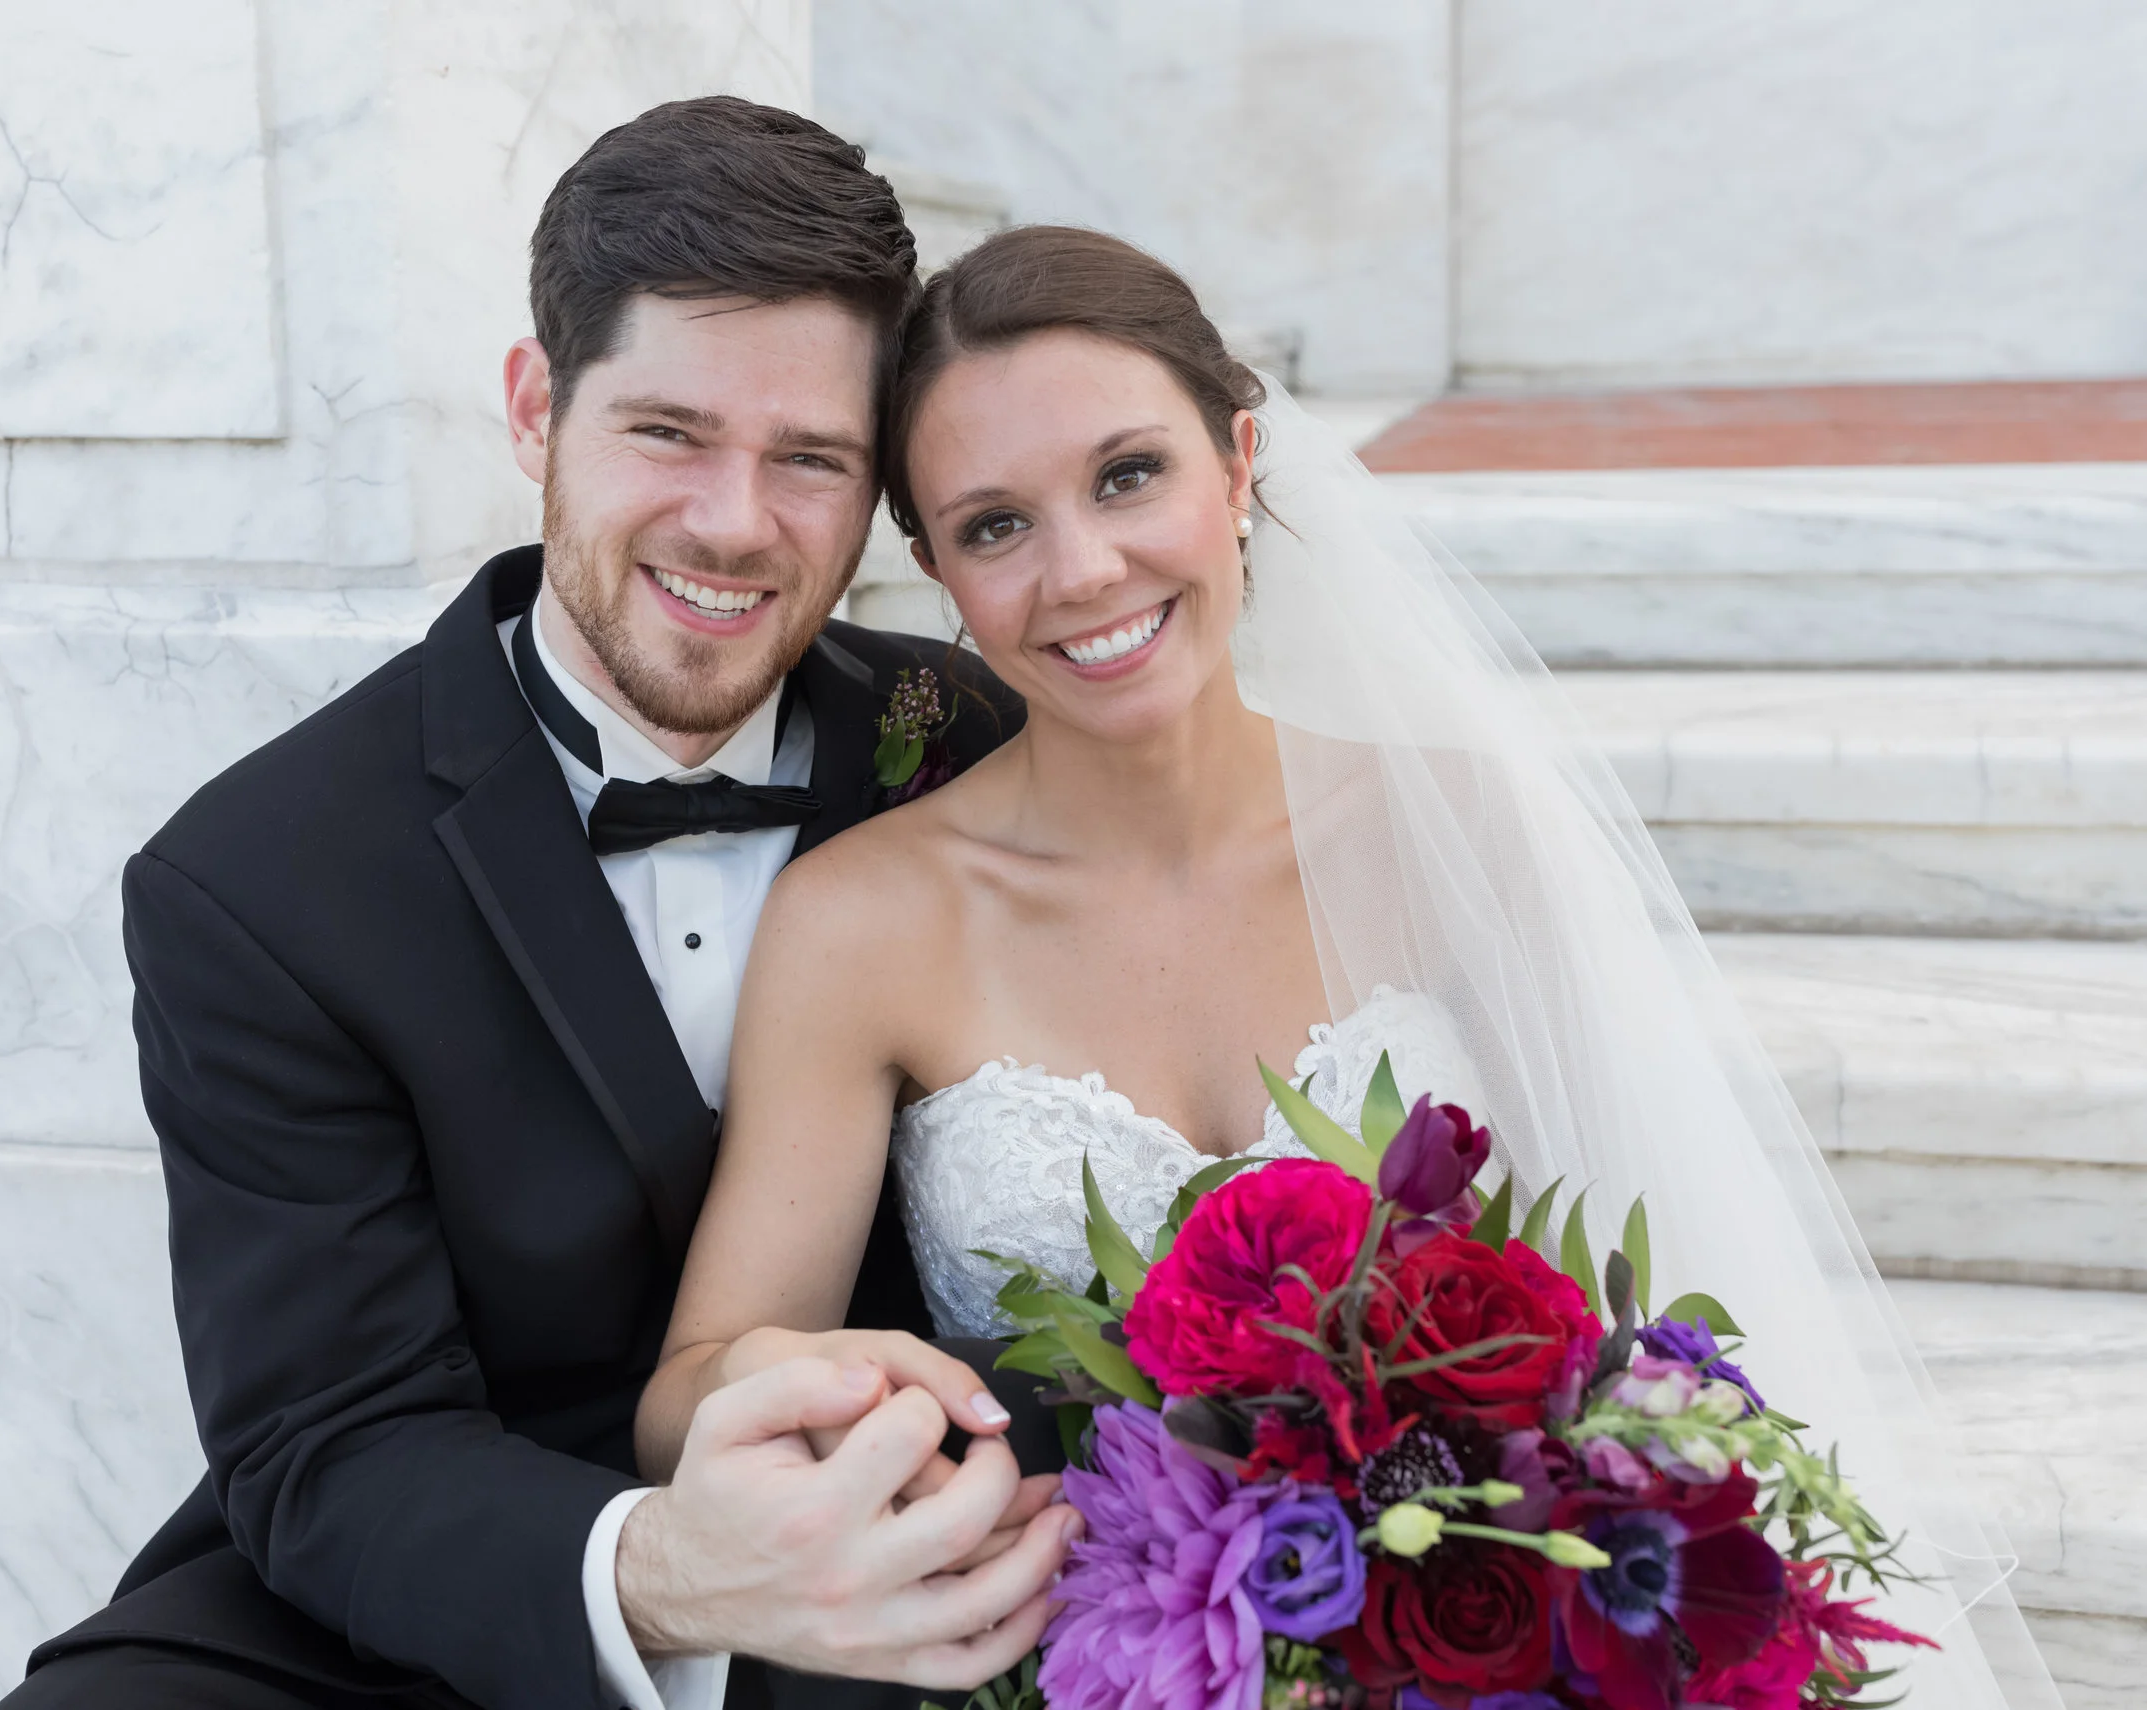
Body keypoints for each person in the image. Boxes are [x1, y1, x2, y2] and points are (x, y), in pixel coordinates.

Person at [637, 225, 2059, 1710]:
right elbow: (688, 1392)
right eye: (995, 525)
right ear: (934, 569)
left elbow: (1647, 1327)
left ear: (1239, 463)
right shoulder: (863, 920)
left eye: (1130, 476)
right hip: (1073, 1661)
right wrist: (877, 1401)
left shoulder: (1456, 831)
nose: (1085, 569)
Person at [1, 99, 1082, 1710]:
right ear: (533, 407)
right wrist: (673, 1569)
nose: (734, 521)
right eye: (669, 432)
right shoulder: (258, 879)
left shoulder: (986, 741)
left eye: (809, 458)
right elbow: (331, 1443)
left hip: (926, 1542)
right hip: (462, 1585)